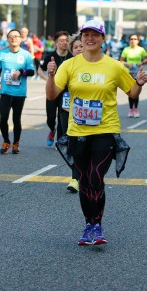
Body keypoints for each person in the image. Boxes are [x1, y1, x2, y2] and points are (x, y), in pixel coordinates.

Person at [46, 19, 147, 246]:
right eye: (86, 35)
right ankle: (89, 225)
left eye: (95, 35)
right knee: (84, 179)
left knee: (95, 176)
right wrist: (51, 75)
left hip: (105, 129)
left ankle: (97, 224)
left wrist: (139, 83)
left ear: (103, 39)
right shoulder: (70, 65)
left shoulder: (114, 66)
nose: (90, 39)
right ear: (81, 38)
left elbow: (131, 91)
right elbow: (52, 95)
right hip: (77, 131)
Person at [0, 29, 35, 155]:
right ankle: (6, 141)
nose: (13, 38)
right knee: (3, 118)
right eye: (11, 36)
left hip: (19, 93)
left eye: (16, 36)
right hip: (5, 91)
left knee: (16, 119)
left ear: (21, 39)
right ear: (7, 39)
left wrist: (21, 72)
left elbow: (32, 72)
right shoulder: (3, 53)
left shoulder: (26, 55)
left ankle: (16, 143)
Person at [39, 31, 73, 146]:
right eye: (62, 40)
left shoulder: (71, 57)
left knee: (62, 116)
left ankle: (59, 141)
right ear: (56, 43)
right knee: (51, 117)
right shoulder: (50, 57)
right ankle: (52, 130)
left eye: (66, 40)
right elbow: (40, 70)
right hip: (53, 91)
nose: (64, 43)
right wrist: (48, 79)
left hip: (66, 92)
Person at [60, 34, 83, 193]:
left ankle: (77, 177)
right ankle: (76, 176)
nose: (79, 49)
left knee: (84, 145)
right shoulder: (67, 65)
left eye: (81, 46)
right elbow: (56, 89)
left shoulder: (95, 65)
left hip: (86, 112)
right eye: (75, 47)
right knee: (71, 143)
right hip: (66, 109)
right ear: (71, 50)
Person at [120, 33, 147, 118]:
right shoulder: (126, 50)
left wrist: (142, 62)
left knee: (136, 91)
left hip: (138, 73)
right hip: (129, 73)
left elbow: (146, 58)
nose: (133, 41)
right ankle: (130, 109)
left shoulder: (141, 49)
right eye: (131, 39)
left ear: (138, 41)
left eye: (135, 39)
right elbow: (121, 61)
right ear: (129, 40)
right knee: (130, 91)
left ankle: (136, 109)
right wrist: (126, 64)